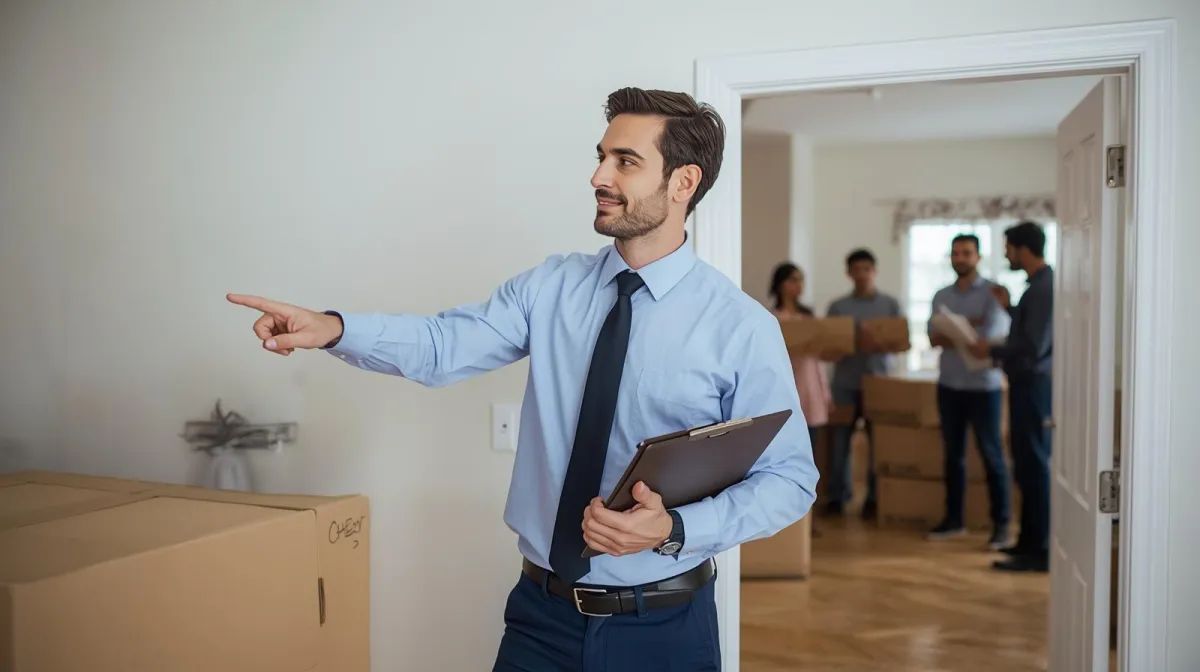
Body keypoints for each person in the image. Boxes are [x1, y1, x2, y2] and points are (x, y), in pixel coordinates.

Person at [228, 87, 819, 670]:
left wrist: (676, 528)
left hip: (665, 628)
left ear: (683, 182)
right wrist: (333, 329)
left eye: (625, 161)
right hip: (542, 619)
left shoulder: (740, 327)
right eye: (601, 156)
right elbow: (443, 345)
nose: (598, 176)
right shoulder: (550, 287)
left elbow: (789, 479)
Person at [967, 220, 1053, 573]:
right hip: (1026, 386)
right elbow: (1030, 331)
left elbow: (1033, 346)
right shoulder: (1036, 287)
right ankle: (1029, 542)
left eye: (1008, 249)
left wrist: (990, 349)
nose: (1006, 255)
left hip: (1033, 387)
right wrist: (1010, 308)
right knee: (1027, 464)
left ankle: (1040, 550)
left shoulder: (1043, 288)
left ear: (1023, 249)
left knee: (1034, 465)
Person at [924, 234, 1013, 551]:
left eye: (966, 253)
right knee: (953, 456)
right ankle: (954, 521)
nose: (960, 258)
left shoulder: (994, 293)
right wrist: (968, 329)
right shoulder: (941, 295)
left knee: (992, 455)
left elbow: (986, 342)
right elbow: (934, 337)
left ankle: (1002, 526)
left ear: (978, 257)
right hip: (949, 385)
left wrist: (959, 334)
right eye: (955, 253)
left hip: (984, 388)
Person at [823, 248, 902, 519]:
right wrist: (851, 343)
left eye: (866, 269)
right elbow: (827, 348)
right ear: (849, 274)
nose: (861, 275)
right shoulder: (838, 307)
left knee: (879, 443)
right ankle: (837, 496)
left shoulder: (890, 304)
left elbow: (902, 344)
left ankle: (874, 498)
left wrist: (876, 342)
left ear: (874, 271)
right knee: (840, 443)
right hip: (844, 384)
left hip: (879, 384)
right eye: (856, 270)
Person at [768, 262, 833, 450]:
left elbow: (817, 362)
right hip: (785, 389)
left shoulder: (808, 317)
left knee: (810, 448)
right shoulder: (772, 318)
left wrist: (826, 394)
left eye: (801, 280)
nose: (799, 285)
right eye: (793, 280)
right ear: (780, 284)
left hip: (810, 389)